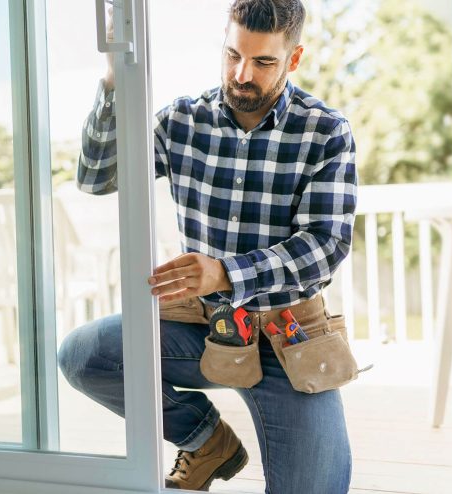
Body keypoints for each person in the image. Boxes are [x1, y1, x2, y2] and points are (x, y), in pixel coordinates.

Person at [57, 0, 357, 491]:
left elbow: (326, 245)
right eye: (233, 55)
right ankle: (204, 439)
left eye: (263, 62)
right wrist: (113, 80)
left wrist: (226, 272)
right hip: (205, 328)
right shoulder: (181, 120)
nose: (243, 74)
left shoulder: (325, 131)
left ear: (294, 59)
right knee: (84, 356)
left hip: (288, 337)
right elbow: (95, 177)